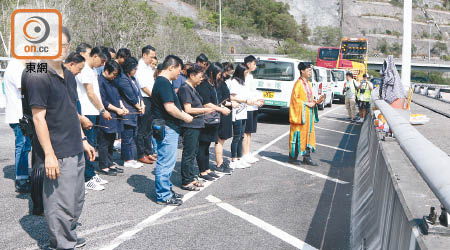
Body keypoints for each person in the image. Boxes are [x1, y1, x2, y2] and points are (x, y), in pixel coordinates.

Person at [24, 27, 95, 250]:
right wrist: (49, 155)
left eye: (64, 44)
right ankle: (61, 244)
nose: (59, 49)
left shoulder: (67, 73)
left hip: (75, 144)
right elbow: (38, 118)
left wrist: (83, 138)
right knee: (59, 202)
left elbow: (69, 107)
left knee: (76, 199)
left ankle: (68, 235)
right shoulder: (37, 72)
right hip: (56, 150)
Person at [151, 55, 193, 206]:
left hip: (164, 126)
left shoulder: (163, 82)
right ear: (171, 67)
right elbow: (170, 107)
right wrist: (184, 117)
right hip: (167, 127)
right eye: (179, 70)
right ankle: (163, 195)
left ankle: (166, 189)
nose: (179, 74)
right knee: (165, 162)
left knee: (167, 161)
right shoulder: (163, 83)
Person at [76, 46, 111, 191]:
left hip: (93, 111)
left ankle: (91, 173)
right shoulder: (84, 70)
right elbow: (90, 93)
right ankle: (86, 178)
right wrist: (102, 110)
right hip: (87, 112)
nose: (103, 65)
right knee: (87, 146)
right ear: (95, 56)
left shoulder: (91, 70)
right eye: (102, 61)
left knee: (92, 143)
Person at [178, 64, 214, 190]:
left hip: (197, 125)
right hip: (190, 126)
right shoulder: (185, 88)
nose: (201, 79)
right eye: (199, 77)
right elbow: (188, 109)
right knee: (188, 153)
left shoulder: (193, 88)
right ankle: (186, 180)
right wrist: (204, 110)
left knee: (193, 153)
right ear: (192, 75)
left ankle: (192, 177)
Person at [196, 63, 231, 181]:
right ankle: (202, 171)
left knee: (206, 146)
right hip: (204, 119)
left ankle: (207, 169)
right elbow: (206, 103)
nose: (219, 76)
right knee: (202, 146)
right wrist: (221, 109)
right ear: (212, 72)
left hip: (211, 120)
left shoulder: (212, 85)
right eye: (219, 74)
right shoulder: (204, 85)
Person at [4, 58, 31, 193]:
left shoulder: (21, 65)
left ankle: (24, 176)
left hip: (20, 115)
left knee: (24, 146)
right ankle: (21, 180)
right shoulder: (16, 67)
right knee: (22, 146)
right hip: (18, 116)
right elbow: (24, 88)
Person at [288, 63, 323, 166]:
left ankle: (306, 157)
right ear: (302, 71)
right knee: (298, 136)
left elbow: (309, 98)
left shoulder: (308, 84)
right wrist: (307, 103)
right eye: (308, 70)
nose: (310, 72)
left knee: (308, 135)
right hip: (300, 115)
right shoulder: (298, 84)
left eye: (311, 70)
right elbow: (294, 100)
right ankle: (292, 158)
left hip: (308, 115)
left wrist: (316, 101)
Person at [98, 60, 127, 176]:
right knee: (104, 141)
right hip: (106, 114)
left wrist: (122, 106)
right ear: (106, 71)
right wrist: (117, 109)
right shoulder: (100, 81)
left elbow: (118, 96)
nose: (114, 77)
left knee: (111, 140)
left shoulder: (113, 81)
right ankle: (104, 166)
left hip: (116, 114)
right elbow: (103, 101)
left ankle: (110, 163)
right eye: (113, 74)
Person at [116, 57, 145, 169]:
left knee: (133, 135)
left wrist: (142, 104)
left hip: (136, 110)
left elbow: (139, 93)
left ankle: (132, 157)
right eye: (134, 68)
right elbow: (131, 96)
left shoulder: (133, 78)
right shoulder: (123, 79)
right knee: (127, 136)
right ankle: (127, 159)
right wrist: (138, 107)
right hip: (129, 110)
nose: (135, 70)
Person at [228, 64, 258, 169]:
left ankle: (239, 158)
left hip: (244, 111)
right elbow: (232, 97)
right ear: (241, 72)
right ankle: (234, 159)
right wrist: (245, 101)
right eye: (245, 72)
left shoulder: (242, 82)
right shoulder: (234, 82)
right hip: (237, 112)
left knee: (241, 136)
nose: (247, 73)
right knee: (236, 137)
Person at [135, 45, 157, 164]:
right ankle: (141, 153)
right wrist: (155, 97)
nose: (152, 59)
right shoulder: (140, 68)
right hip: (144, 98)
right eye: (151, 56)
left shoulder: (149, 68)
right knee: (142, 128)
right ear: (144, 55)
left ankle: (148, 151)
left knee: (149, 127)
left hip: (151, 98)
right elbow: (143, 86)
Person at [242, 55, 264, 164]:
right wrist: (255, 101)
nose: (255, 66)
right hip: (247, 107)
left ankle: (248, 152)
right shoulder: (244, 76)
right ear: (248, 64)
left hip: (253, 106)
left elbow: (253, 91)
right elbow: (245, 93)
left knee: (249, 131)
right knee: (245, 132)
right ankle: (244, 153)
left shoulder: (250, 76)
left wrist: (258, 99)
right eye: (254, 64)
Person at [214, 62, 235, 174]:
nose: (229, 75)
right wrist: (231, 104)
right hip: (221, 114)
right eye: (228, 72)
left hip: (225, 114)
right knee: (219, 140)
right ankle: (219, 163)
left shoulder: (222, 82)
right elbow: (220, 101)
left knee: (221, 140)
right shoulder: (219, 84)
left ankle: (220, 161)